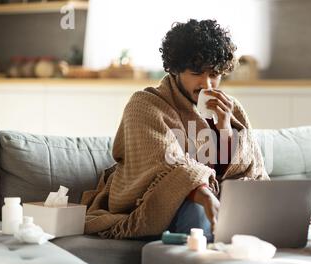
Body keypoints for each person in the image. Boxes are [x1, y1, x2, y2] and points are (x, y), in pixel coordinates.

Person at [81, 19, 269, 241]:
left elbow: (252, 170)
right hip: (165, 205)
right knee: (197, 211)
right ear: (175, 68)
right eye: (196, 72)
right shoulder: (145, 104)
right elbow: (163, 164)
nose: (206, 84)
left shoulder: (231, 108)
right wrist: (203, 193)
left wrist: (225, 128)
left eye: (214, 74)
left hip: (221, 200)